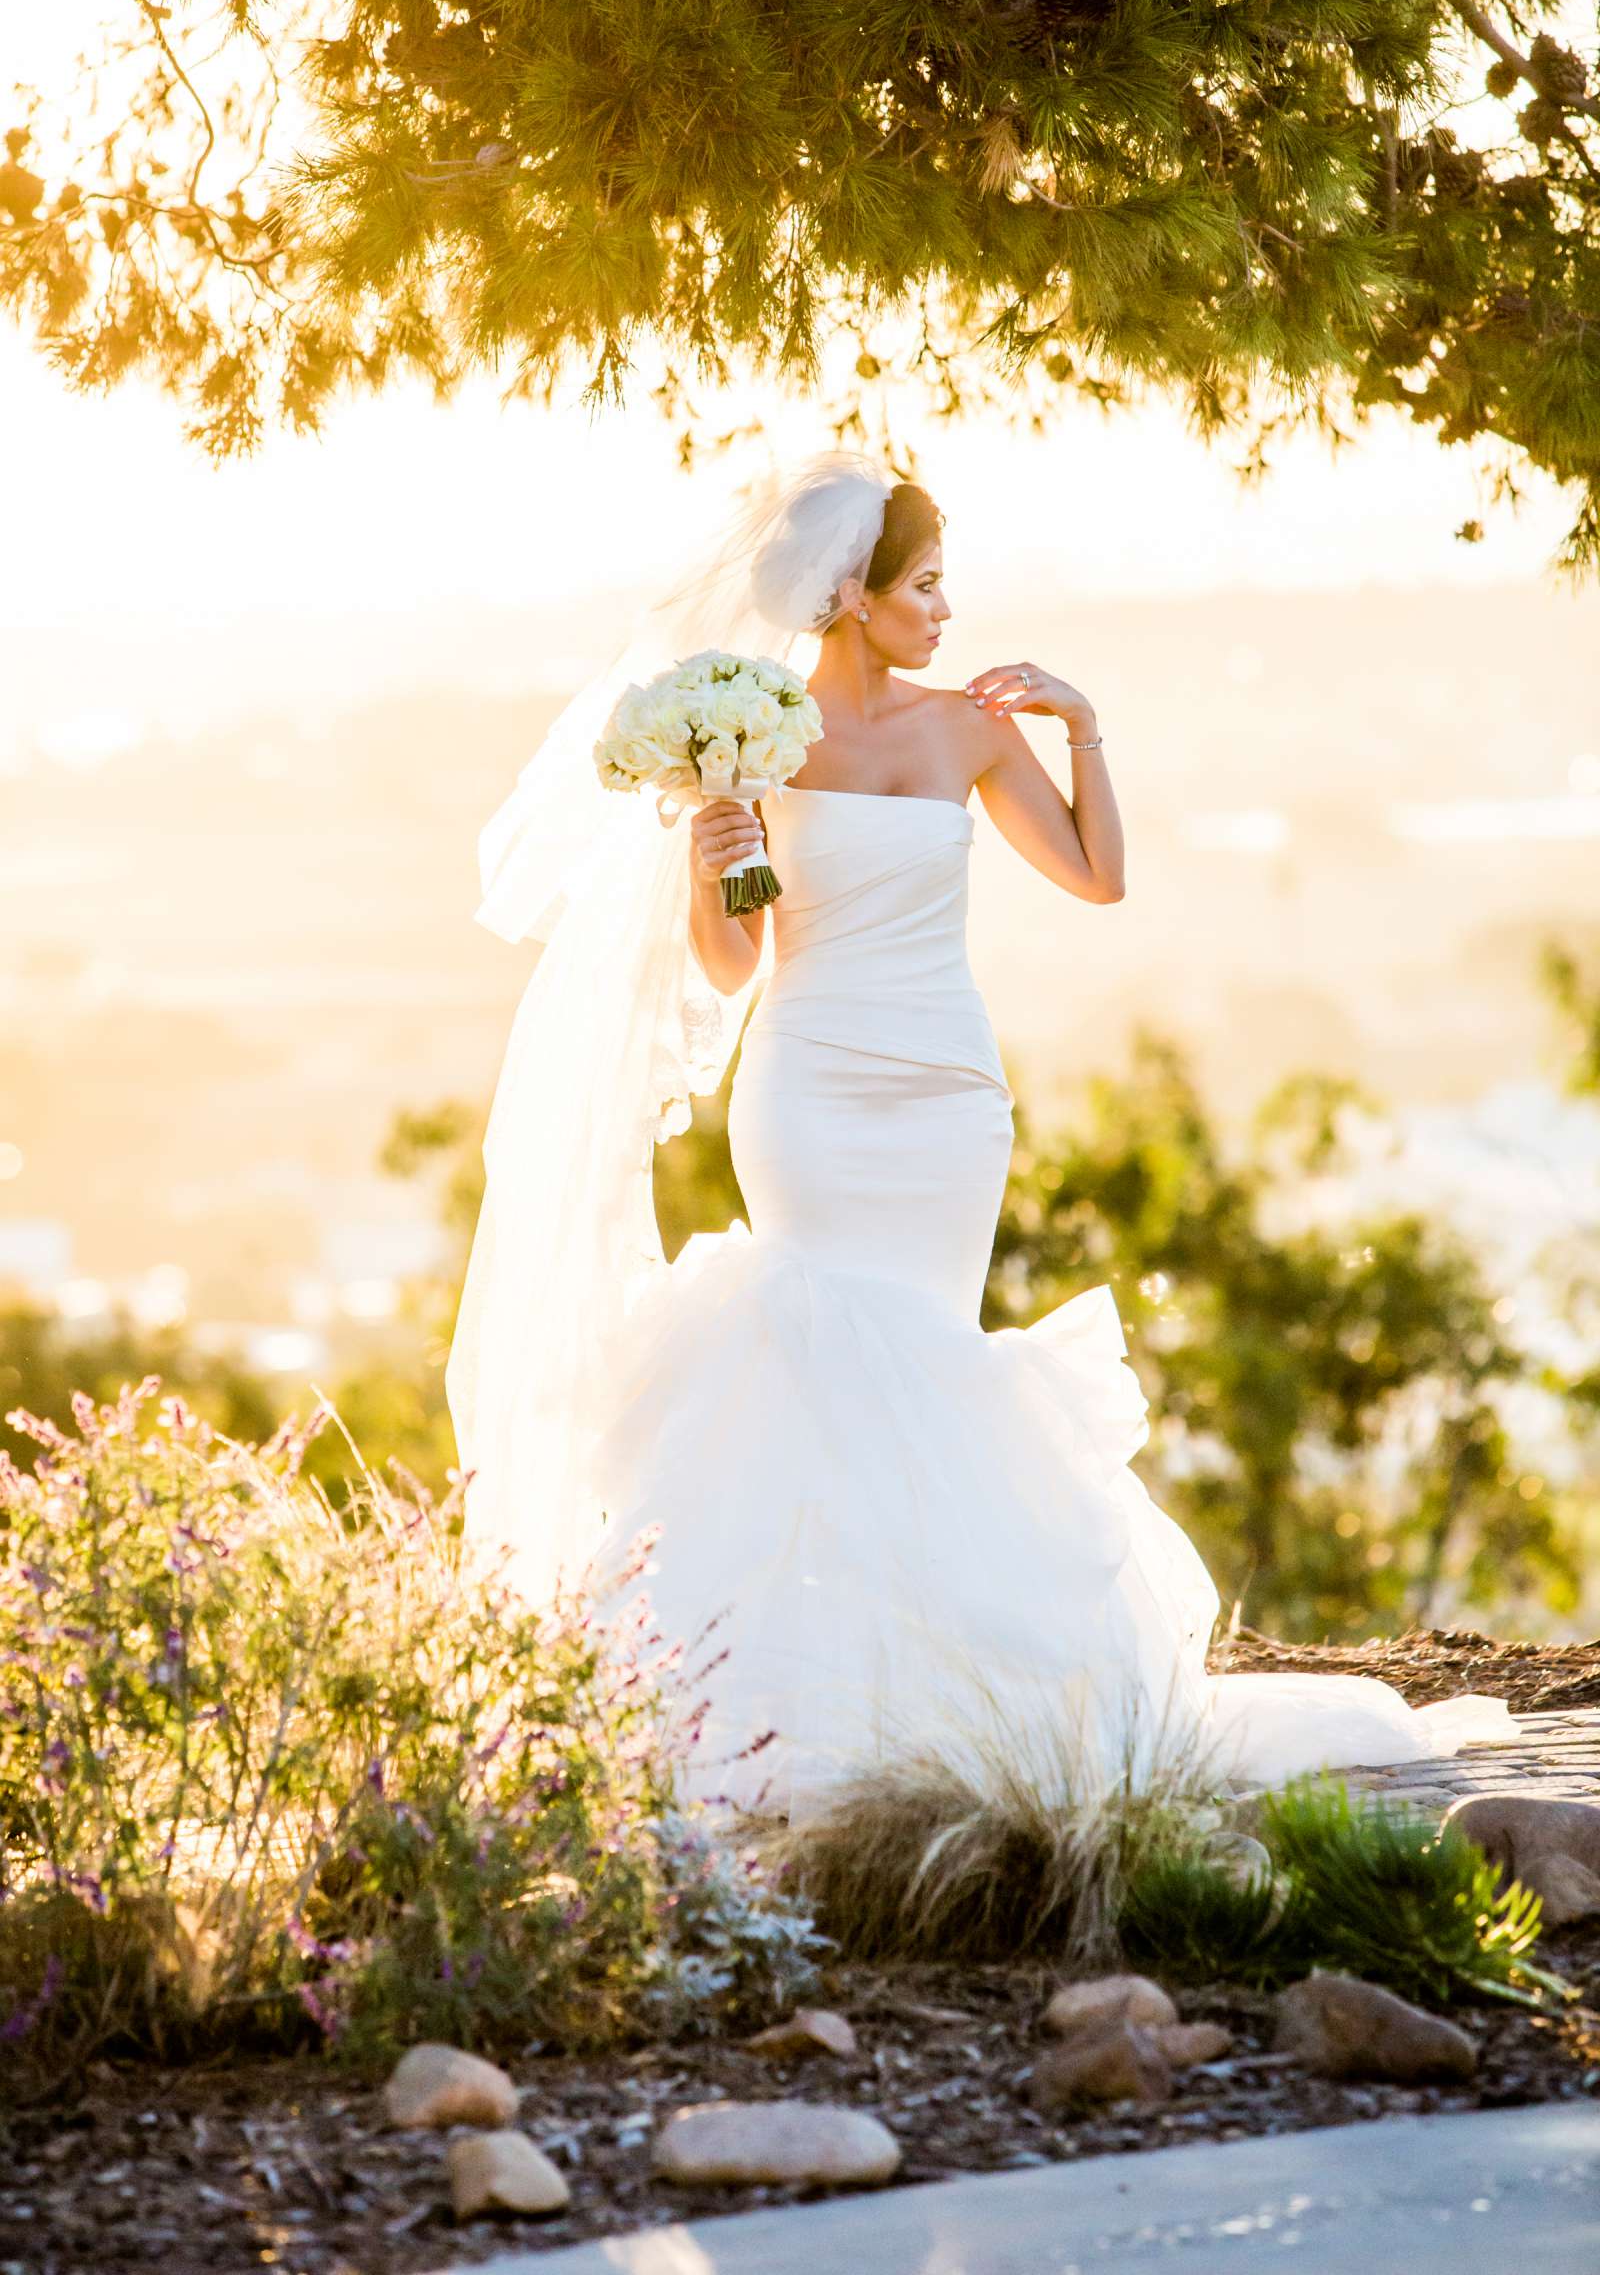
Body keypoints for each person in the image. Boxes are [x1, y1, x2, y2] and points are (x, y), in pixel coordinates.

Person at [446, 456, 1514, 1819]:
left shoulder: (972, 730)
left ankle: (946, 1687)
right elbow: (730, 965)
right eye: (925, 584)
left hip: (947, 1096)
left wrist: (1082, 727)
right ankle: (803, 1699)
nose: (947, 609)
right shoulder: (761, 743)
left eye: (948, 583)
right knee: (826, 1348)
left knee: (928, 1367)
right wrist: (717, 857)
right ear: (851, 595)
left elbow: (1096, 877)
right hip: (810, 1089)